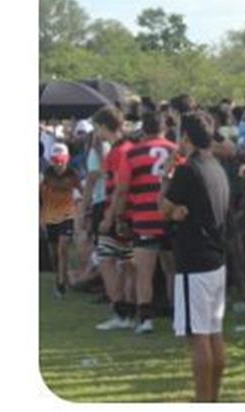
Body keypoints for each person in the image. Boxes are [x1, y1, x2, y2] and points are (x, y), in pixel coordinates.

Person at [160, 111, 230, 402]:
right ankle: (211, 398)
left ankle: (203, 400)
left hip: (194, 260)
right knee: (214, 333)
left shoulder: (188, 169)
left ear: (185, 137)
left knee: (198, 336)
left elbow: (163, 206)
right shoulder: (216, 166)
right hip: (215, 258)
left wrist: (166, 172)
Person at [110, 109, 177, 333]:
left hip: (144, 217)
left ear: (143, 129)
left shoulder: (133, 153)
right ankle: (176, 315)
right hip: (170, 217)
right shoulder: (175, 151)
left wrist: (120, 217)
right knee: (171, 269)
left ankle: (145, 319)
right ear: (164, 128)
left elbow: (121, 190)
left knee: (144, 272)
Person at [92, 106, 138, 329]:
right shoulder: (128, 147)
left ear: (103, 126)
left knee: (106, 260)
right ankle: (127, 311)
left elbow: (120, 187)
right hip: (130, 213)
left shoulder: (119, 152)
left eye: (96, 128)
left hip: (119, 213)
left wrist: (110, 218)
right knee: (127, 263)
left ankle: (120, 310)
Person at [41, 143, 81, 298]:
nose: (58, 164)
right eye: (55, 160)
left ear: (67, 159)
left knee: (63, 248)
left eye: (61, 160)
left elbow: (82, 193)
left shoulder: (73, 174)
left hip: (67, 215)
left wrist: (80, 210)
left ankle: (61, 284)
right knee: (54, 252)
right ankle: (61, 274)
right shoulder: (47, 174)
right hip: (50, 216)